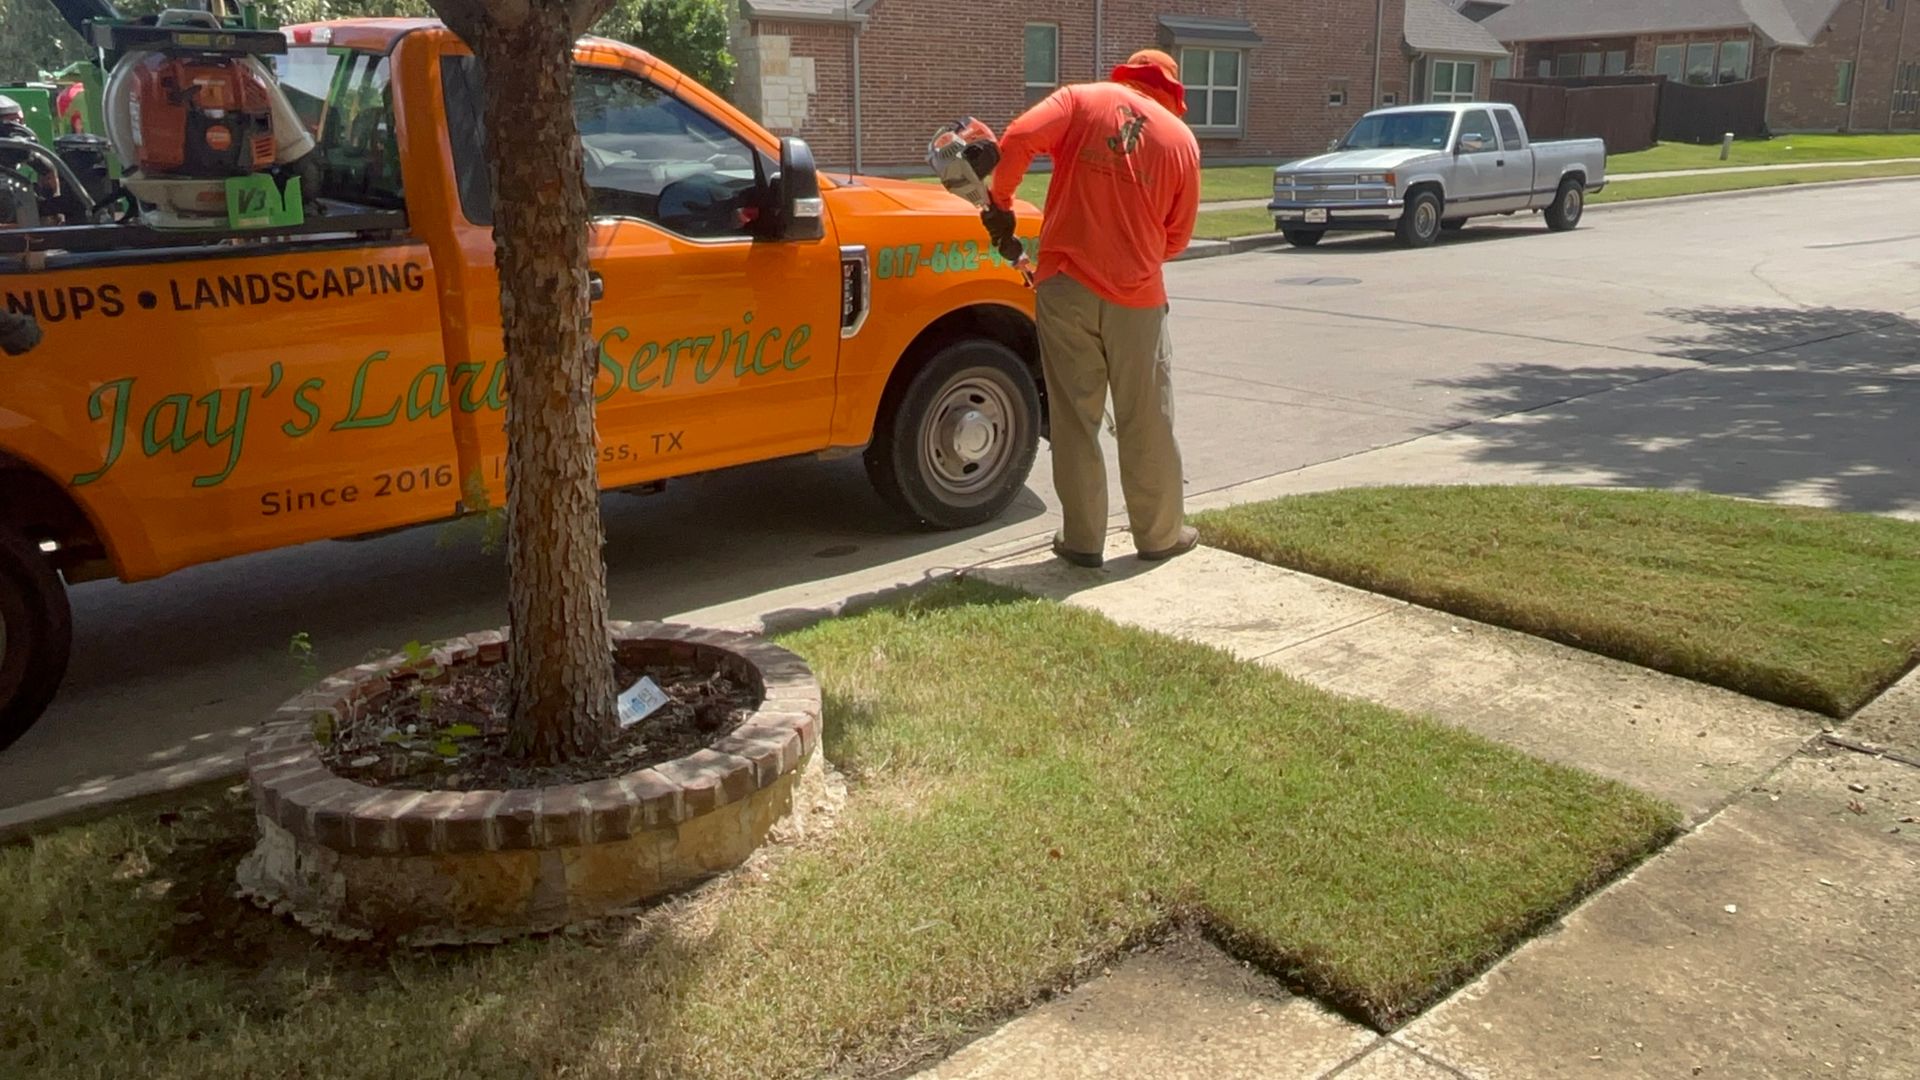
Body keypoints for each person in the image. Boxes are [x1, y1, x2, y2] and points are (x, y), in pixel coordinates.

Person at [986, 48, 1202, 569]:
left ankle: (1083, 542)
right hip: (1139, 298)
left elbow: (1014, 140)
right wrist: (1141, 251)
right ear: (1171, 92)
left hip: (1066, 287)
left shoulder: (1081, 100)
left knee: (1075, 419)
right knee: (1146, 418)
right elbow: (1178, 237)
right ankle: (1160, 536)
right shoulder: (1181, 140)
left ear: (1126, 77)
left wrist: (1002, 204)